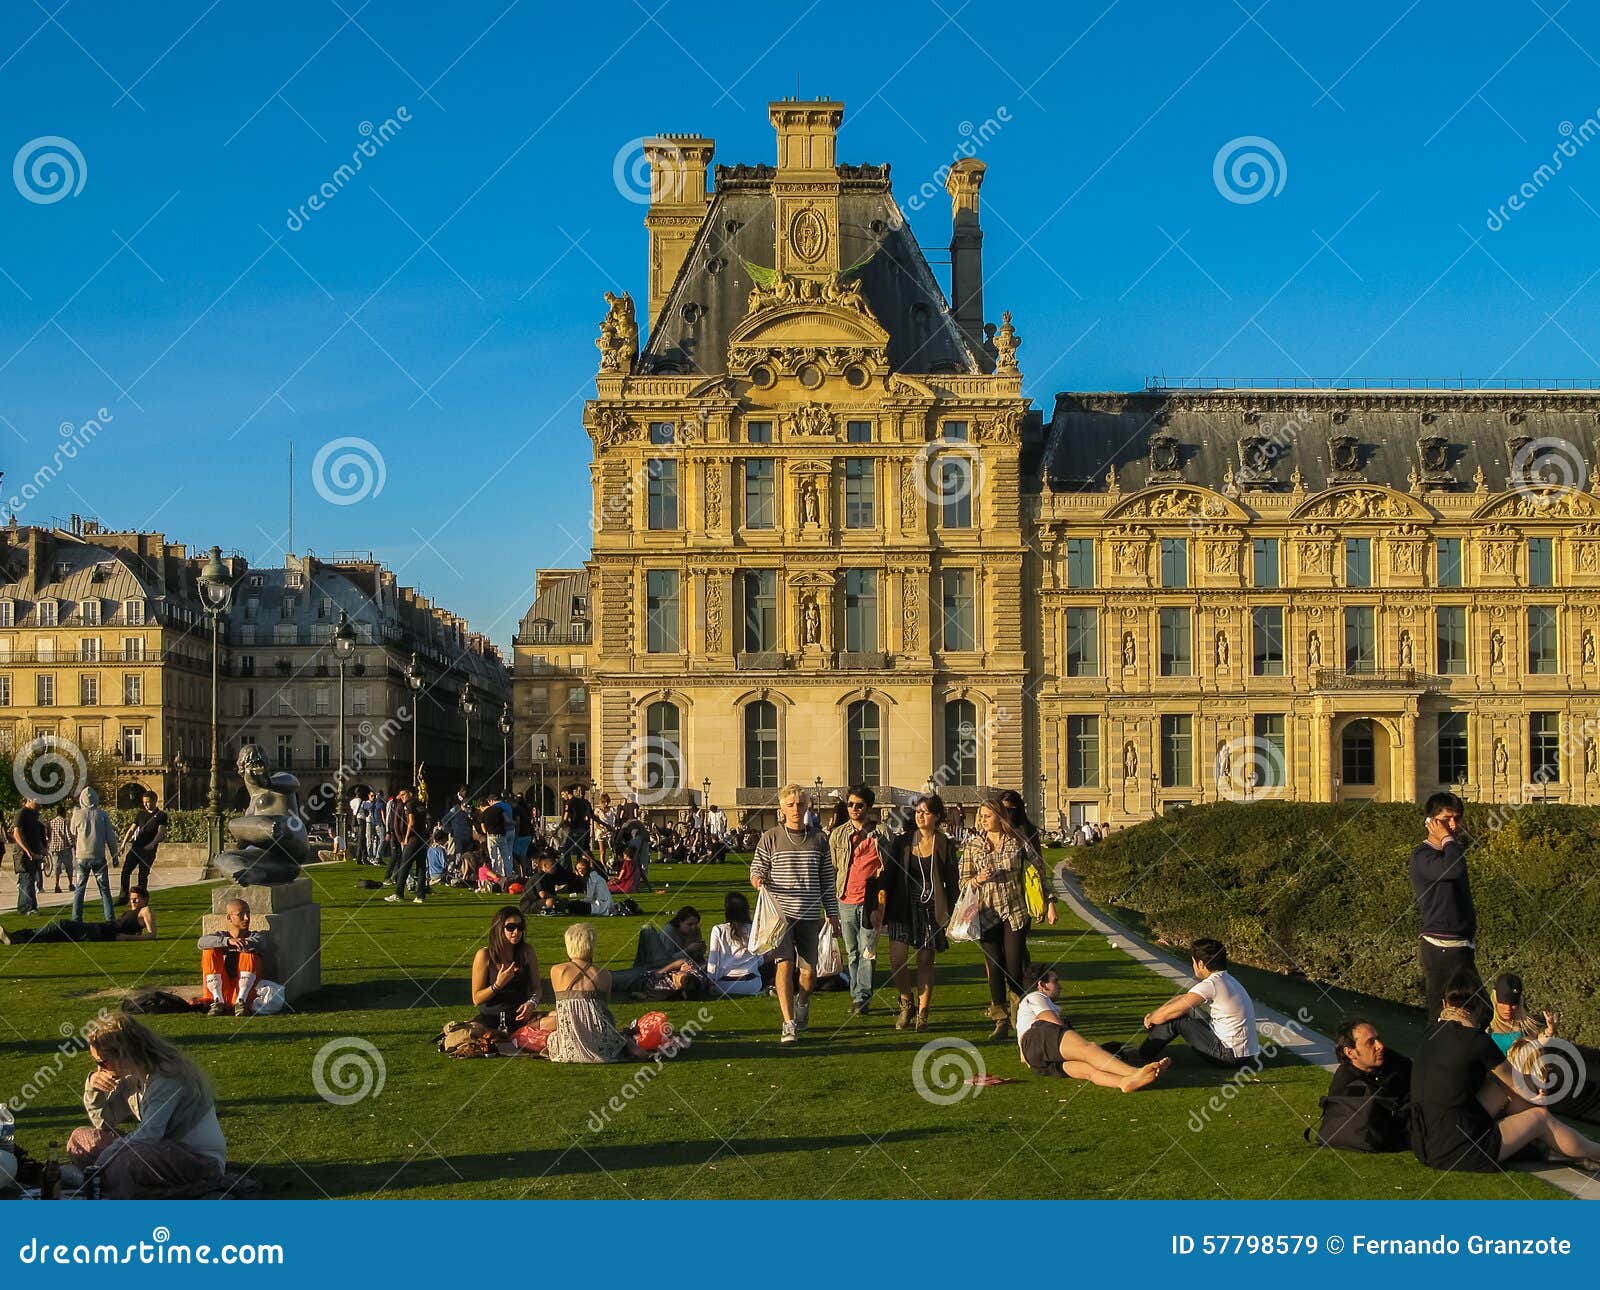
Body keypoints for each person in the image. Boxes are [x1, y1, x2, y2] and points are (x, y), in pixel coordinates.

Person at [1411, 976, 1600, 1171]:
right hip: (1459, 1149)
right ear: (1479, 1008)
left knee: (1499, 1087)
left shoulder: (1430, 1034)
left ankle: (1550, 1143)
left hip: (1425, 1142)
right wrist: (1539, 1095)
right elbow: (1517, 1083)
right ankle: (1590, 1150)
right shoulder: (1476, 1040)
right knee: (1540, 1118)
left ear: (1444, 1004)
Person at [67, 1014, 226, 1199]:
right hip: (157, 1151)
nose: (101, 1068)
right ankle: (99, 1180)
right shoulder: (130, 1075)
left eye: (103, 1062)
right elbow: (105, 1123)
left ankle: (95, 1180)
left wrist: (108, 1155)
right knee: (79, 1139)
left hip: (199, 1160)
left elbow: (150, 1135)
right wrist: (93, 1088)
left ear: (124, 1053)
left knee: (126, 1161)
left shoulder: (167, 1078)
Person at [751, 785, 841, 1044]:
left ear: (807, 806)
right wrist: (758, 880)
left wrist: (831, 913)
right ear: (781, 807)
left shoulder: (819, 839)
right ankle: (788, 1023)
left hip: (811, 914)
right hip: (780, 916)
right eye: (790, 804)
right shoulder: (771, 837)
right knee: (784, 965)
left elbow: (827, 879)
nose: (795, 809)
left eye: (800, 804)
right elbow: (758, 868)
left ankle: (803, 1002)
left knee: (809, 972)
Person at [960, 798, 1051, 1042]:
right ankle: (999, 1017)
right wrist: (977, 879)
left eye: (987, 816)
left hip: (1015, 911)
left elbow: (1039, 872)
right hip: (985, 913)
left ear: (1000, 818)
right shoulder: (974, 845)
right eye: (981, 816)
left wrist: (1049, 902)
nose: (982, 821)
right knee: (994, 966)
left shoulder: (1018, 842)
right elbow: (963, 880)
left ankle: (1018, 1009)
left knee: (1013, 965)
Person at [882, 793, 961, 1031]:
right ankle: (906, 1002)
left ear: (936, 816)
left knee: (925, 961)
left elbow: (952, 880)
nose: (920, 816)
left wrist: (954, 911)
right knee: (897, 959)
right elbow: (890, 874)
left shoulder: (945, 844)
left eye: (925, 812)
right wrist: (880, 900)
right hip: (903, 907)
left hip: (931, 907)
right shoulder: (903, 841)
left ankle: (923, 1012)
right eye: (917, 811)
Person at [1018, 967, 1167, 1091]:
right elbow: (1052, 1021)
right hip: (1036, 1041)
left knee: (1090, 1070)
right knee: (1088, 1049)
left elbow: (1023, 1057)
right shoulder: (1035, 996)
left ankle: (1123, 1082)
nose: (1060, 986)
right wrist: (1087, 1048)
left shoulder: (1029, 1010)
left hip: (1037, 1062)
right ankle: (1134, 1072)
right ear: (1042, 985)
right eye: (1055, 981)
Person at [1134, 938, 1261, 1069]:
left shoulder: (1211, 984)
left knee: (1177, 1018)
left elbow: (1165, 1015)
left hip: (1229, 1056)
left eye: (1193, 962)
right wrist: (1155, 1014)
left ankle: (1143, 1054)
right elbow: (1183, 998)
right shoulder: (1228, 979)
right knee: (1185, 1009)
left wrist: (1152, 1018)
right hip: (1246, 1056)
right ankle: (1146, 1049)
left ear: (1200, 964)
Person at [537, 922, 647, 1063]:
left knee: (549, 1033)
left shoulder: (558, 971)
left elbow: (563, 1006)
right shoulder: (605, 975)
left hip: (568, 1046)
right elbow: (603, 1009)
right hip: (602, 1045)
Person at [1411, 791, 1476, 1023]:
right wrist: (1447, 839)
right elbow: (1453, 870)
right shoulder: (1423, 856)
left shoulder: (1451, 852)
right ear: (1431, 822)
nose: (1453, 825)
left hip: (1460, 945)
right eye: (1447, 819)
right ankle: (1431, 1057)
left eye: (1457, 819)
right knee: (1440, 1016)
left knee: (1473, 1013)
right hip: (1442, 947)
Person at [829, 784, 888, 1017]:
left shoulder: (881, 833)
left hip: (870, 902)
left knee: (867, 951)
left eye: (859, 805)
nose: (854, 808)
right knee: (852, 951)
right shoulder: (838, 834)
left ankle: (862, 996)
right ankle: (856, 993)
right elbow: (833, 868)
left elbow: (889, 867)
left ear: (868, 807)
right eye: (850, 804)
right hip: (845, 899)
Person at [1315, 1018, 1412, 1151]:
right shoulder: (1347, 1083)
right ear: (1350, 1052)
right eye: (1370, 1042)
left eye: (1378, 1039)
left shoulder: (1392, 1060)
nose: (1380, 1046)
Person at [0, 885, 156, 945]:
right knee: (56, 935)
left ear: (145, 899)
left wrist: (128, 937)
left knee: (62, 925)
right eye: (131, 899)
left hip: (102, 932)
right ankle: (15, 939)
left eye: (136, 899)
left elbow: (152, 935)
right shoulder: (135, 912)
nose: (133, 902)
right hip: (102, 929)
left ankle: (15, 937)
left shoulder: (146, 911)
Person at [471, 906, 541, 1032]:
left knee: (559, 1019)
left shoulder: (527, 951)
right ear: (498, 929)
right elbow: (476, 999)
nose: (516, 932)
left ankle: (516, 1037)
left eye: (520, 927)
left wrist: (532, 1003)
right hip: (491, 1018)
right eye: (510, 927)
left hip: (521, 1018)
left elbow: (537, 988)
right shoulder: (484, 955)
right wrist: (497, 985)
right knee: (474, 1031)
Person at [198, 898, 265, 1017]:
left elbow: (261, 942)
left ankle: (241, 1002)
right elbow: (201, 942)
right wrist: (228, 942)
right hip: (223, 989)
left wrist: (243, 943)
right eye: (241, 915)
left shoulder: (255, 936)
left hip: (245, 991)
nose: (246, 918)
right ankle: (217, 1002)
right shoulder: (221, 936)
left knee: (248, 951)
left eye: (248, 913)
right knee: (209, 951)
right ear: (229, 918)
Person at [69, 786, 119, 924]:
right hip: (98, 857)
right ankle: (110, 919)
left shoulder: (77, 815)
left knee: (79, 890)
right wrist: (114, 856)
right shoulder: (102, 815)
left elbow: (72, 832)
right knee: (104, 890)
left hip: (81, 857)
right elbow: (111, 837)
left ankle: (76, 919)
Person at [706, 891, 769, 996]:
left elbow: (713, 962)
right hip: (751, 984)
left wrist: (710, 983)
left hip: (723, 986)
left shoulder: (718, 930)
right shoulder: (754, 930)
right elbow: (760, 960)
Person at [1486, 971, 1556, 1057]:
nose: (1508, 1009)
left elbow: (1537, 1043)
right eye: (1503, 1003)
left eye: (1513, 1004)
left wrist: (1550, 1030)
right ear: (1495, 1000)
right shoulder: (1485, 1025)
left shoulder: (1524, 1024)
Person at [117, 791, 168, 906]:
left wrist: (152, 844)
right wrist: (123, 844)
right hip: (136, 847)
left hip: (148, 850)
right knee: (125, 871)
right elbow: (131, 830)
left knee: (142, 875)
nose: (145, 805)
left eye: (148, 802)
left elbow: (161, 832)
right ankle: (123, 897)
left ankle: (142, 900)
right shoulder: (140, 814)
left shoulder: (161, 815)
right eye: (144, 802)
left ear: (155, 801)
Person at [386, 788, 430, 904]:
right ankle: (420, 895)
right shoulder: (420, 804)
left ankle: (399, 893)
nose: (401, 796)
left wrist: (405, 838)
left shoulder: (409, 805)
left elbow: (411, 822)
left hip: (413, 840)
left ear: (410, 794)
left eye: (404, 794)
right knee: (421, 867)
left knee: (404, 866)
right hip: (422, 839)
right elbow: (427, 821)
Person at [11, 794, 47, 915]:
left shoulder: (34, 816)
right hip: (23, 854)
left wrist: (42, 848)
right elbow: (16, 834)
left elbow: (36, 834)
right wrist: (28, 851)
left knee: (29, 880)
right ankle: (27, 907)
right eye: (37, 802)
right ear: (29, 800)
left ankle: (28, 906)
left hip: (34, 852)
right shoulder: (21, 814)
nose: (39, 806)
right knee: (27, 880)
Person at [47, 804, 72, 894]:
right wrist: (72, 843)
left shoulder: (51, 822)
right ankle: (70, 884)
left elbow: (48, 835)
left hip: (54, 847)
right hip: (64, 847)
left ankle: (57, 885)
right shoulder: (65, 822)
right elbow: (68, 834)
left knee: (56, 868)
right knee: (69, 867)